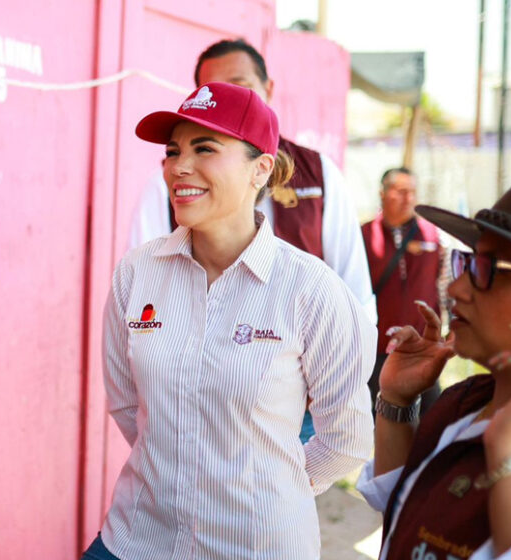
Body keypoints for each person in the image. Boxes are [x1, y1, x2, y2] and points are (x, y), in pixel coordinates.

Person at [84, 82, 374, 560]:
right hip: (135, 540)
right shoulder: (136, 275)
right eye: (173, 151)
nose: (179, 166)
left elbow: (346, 438)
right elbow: (128, 407)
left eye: (205, 149)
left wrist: (268, 488)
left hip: (256, 547)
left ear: (261, 169)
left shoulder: (310, 290)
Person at [357, 161, 511, 559]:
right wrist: (396, 402)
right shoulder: (465, 400)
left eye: (489, 269)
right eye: (468, 261)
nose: (458, 288)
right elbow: (402, 505)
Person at [128, 39, 375, 323]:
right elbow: (142, 305)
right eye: (215, 93)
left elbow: (355, 302)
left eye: (240, 87)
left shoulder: (320, 175)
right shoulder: (166, 184)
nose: (228, 104)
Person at [361, 167, 449, 413]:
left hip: (423, 346)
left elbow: (445, 285)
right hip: (378, 348)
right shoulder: (364, 236)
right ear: (383, 193)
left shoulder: (433, 235)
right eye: (400, 191)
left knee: (431, 418)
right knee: (381, 417)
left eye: (412, 192)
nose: (408, 198)